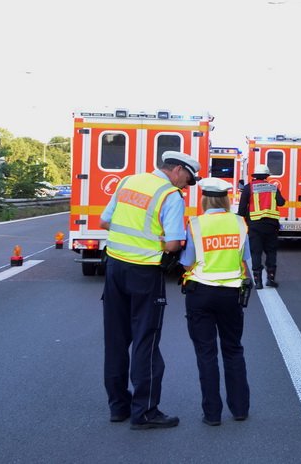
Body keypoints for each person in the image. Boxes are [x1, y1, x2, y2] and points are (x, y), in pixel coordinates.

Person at [99, 150, 200, 430]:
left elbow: (104, 222)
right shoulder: (169, 196)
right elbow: (172, 244)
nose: (185, 187)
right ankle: (144, 412)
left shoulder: (128, 181)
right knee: (146, 341)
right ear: (178, 170)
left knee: (116, 341)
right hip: (145, 273)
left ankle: (118, 406)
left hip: (115, 268)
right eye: (187, 180)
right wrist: (159, 242)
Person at [180, 178, 252, 426]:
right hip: (232, 294)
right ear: (224, 199)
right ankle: (240, 409)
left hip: (200, 293)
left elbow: (186, 261)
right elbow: (247, 260)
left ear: (204, 199)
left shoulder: (196, 225)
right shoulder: (240, 223)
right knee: (233, 350)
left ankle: (212, 414)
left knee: (206, 353)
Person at [236, 164, 286, 289]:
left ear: (254, 175)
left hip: (255, 225)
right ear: (266, 176)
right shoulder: (273, 187)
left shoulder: (249, 188)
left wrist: (242, 220)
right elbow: (281, 202)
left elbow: (242, 208)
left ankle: (258, 281)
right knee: (271, 252)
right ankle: (271, 278)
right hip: (271, 225)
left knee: (256, 252)